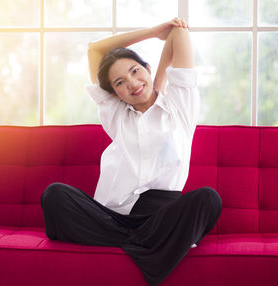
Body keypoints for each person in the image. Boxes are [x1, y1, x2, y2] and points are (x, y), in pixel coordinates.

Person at [41, 18, 222, 286]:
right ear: (115, 94)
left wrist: (159, 75)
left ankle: (140, 244)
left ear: (148, 69)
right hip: (111, 217)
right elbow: (94, 51)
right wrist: (150, 32)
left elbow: (179, 34)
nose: (133, 83)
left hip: (159, 217)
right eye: (120, 83)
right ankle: (150, 249)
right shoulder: (115, 115)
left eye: (136, 71)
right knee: (54, 195)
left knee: (209, 199)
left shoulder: (179, 107)